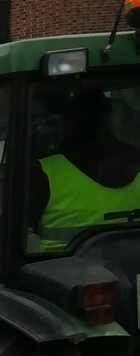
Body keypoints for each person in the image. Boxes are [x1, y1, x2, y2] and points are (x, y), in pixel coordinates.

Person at [32, 85, 140, 248]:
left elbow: (6, 244)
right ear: (108, 120)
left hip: (58, 272)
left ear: (70, 122)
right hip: (129, 272)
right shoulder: (135, 159)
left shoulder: (44, 173)